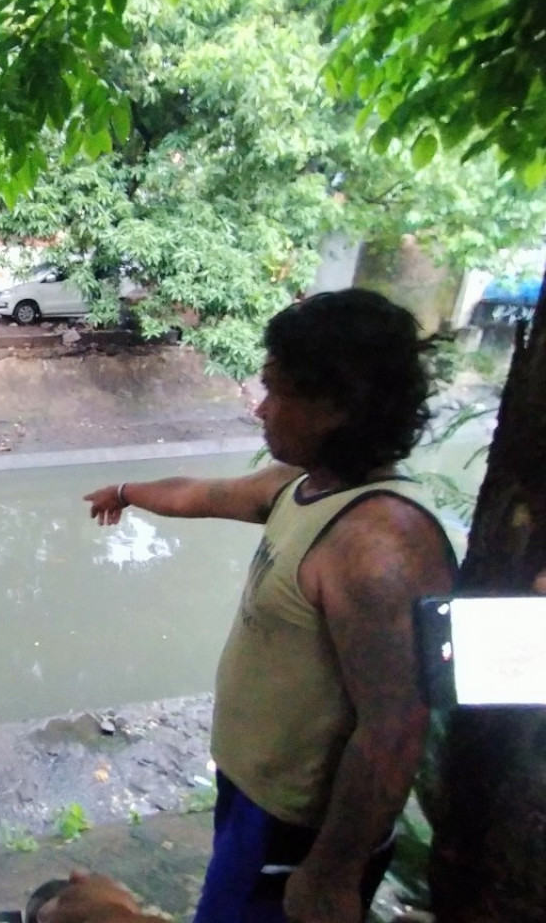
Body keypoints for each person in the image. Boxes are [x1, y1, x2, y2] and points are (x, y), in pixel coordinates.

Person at [80, 290, 456, 923]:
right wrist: (125, 491)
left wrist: (332, 873)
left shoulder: (377, 546)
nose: (260, 407)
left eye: (277, 391)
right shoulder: (302, 488)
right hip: (253, 795)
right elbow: (199, 492)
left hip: (298, 832)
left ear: (337, 405)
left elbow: (394, 730)